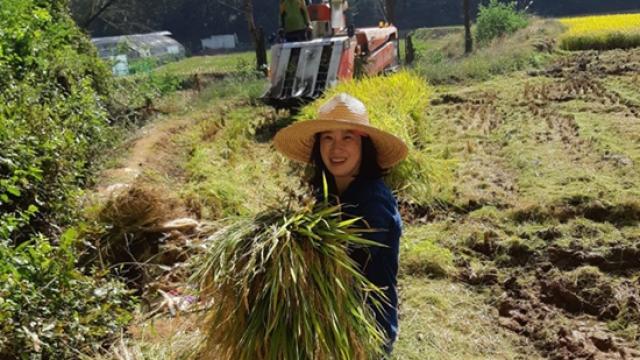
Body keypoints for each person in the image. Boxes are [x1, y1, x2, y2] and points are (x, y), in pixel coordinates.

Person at [273, 93, 408, 355]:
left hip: (364, 331)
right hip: (329, 325)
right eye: (328, 138)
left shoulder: (374, 201)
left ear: (363, 144)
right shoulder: (328, 194)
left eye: (347, 137)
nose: (336, 149)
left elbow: (345, 266)